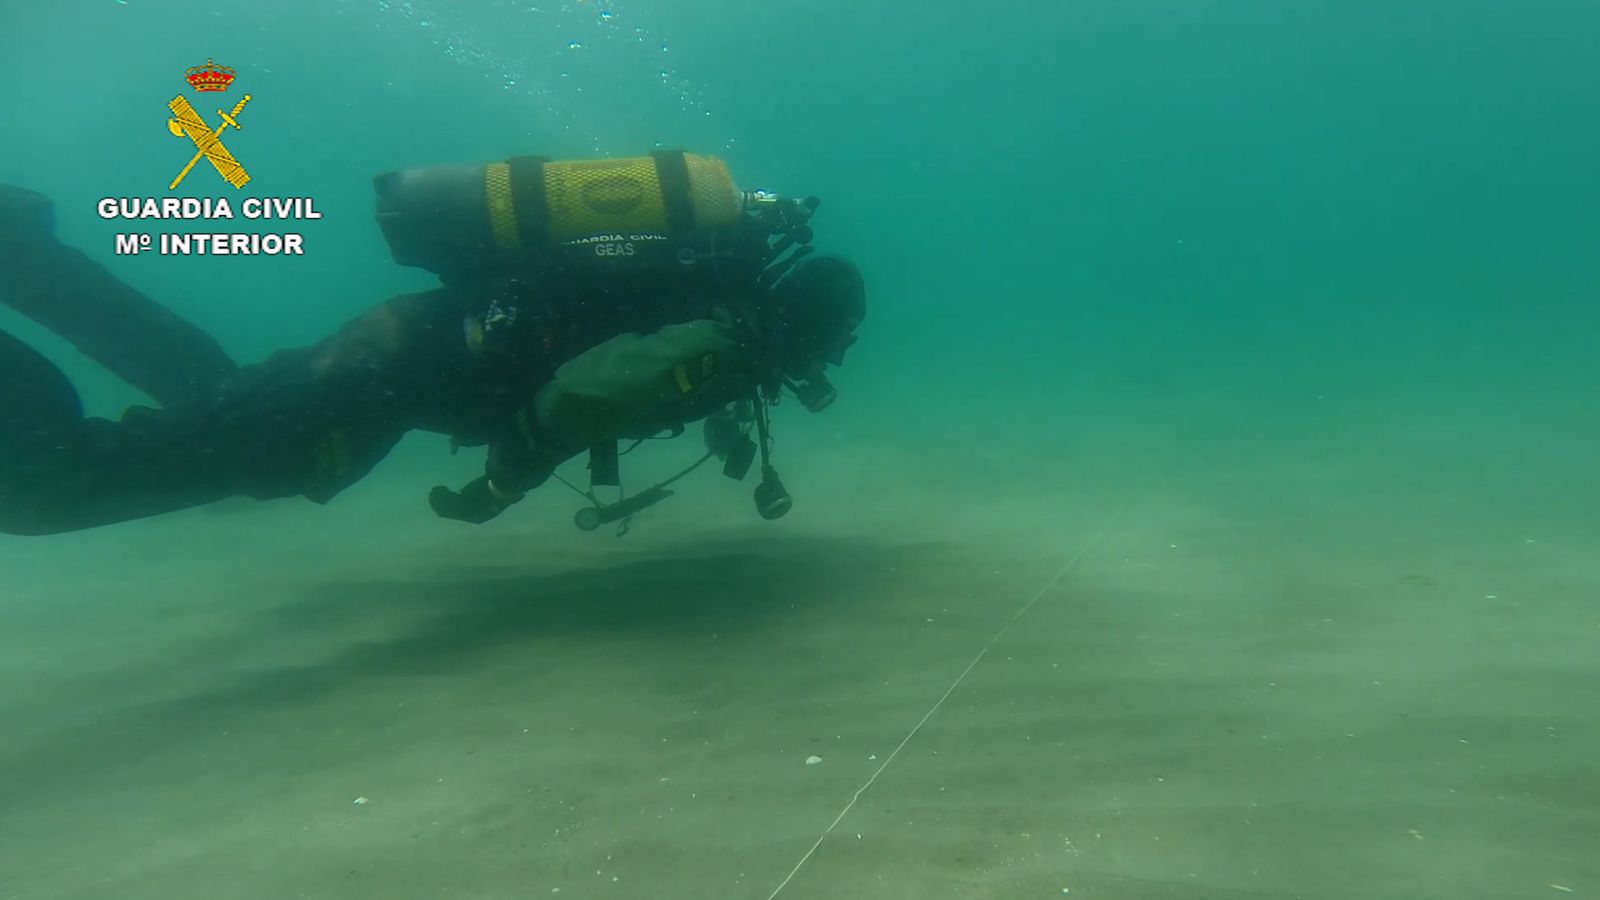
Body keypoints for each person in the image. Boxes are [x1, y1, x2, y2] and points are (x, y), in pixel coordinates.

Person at [0, 151, 866, 537]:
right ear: (814, 326)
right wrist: (499, 484)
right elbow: (586, 395)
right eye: (840, 340)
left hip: (401, 356)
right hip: (387, 375)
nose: (834, 357)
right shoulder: (728, 330)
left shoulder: (720, 308)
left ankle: (26, 257)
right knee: (52, 486)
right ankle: (23, 258)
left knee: (221, 407)